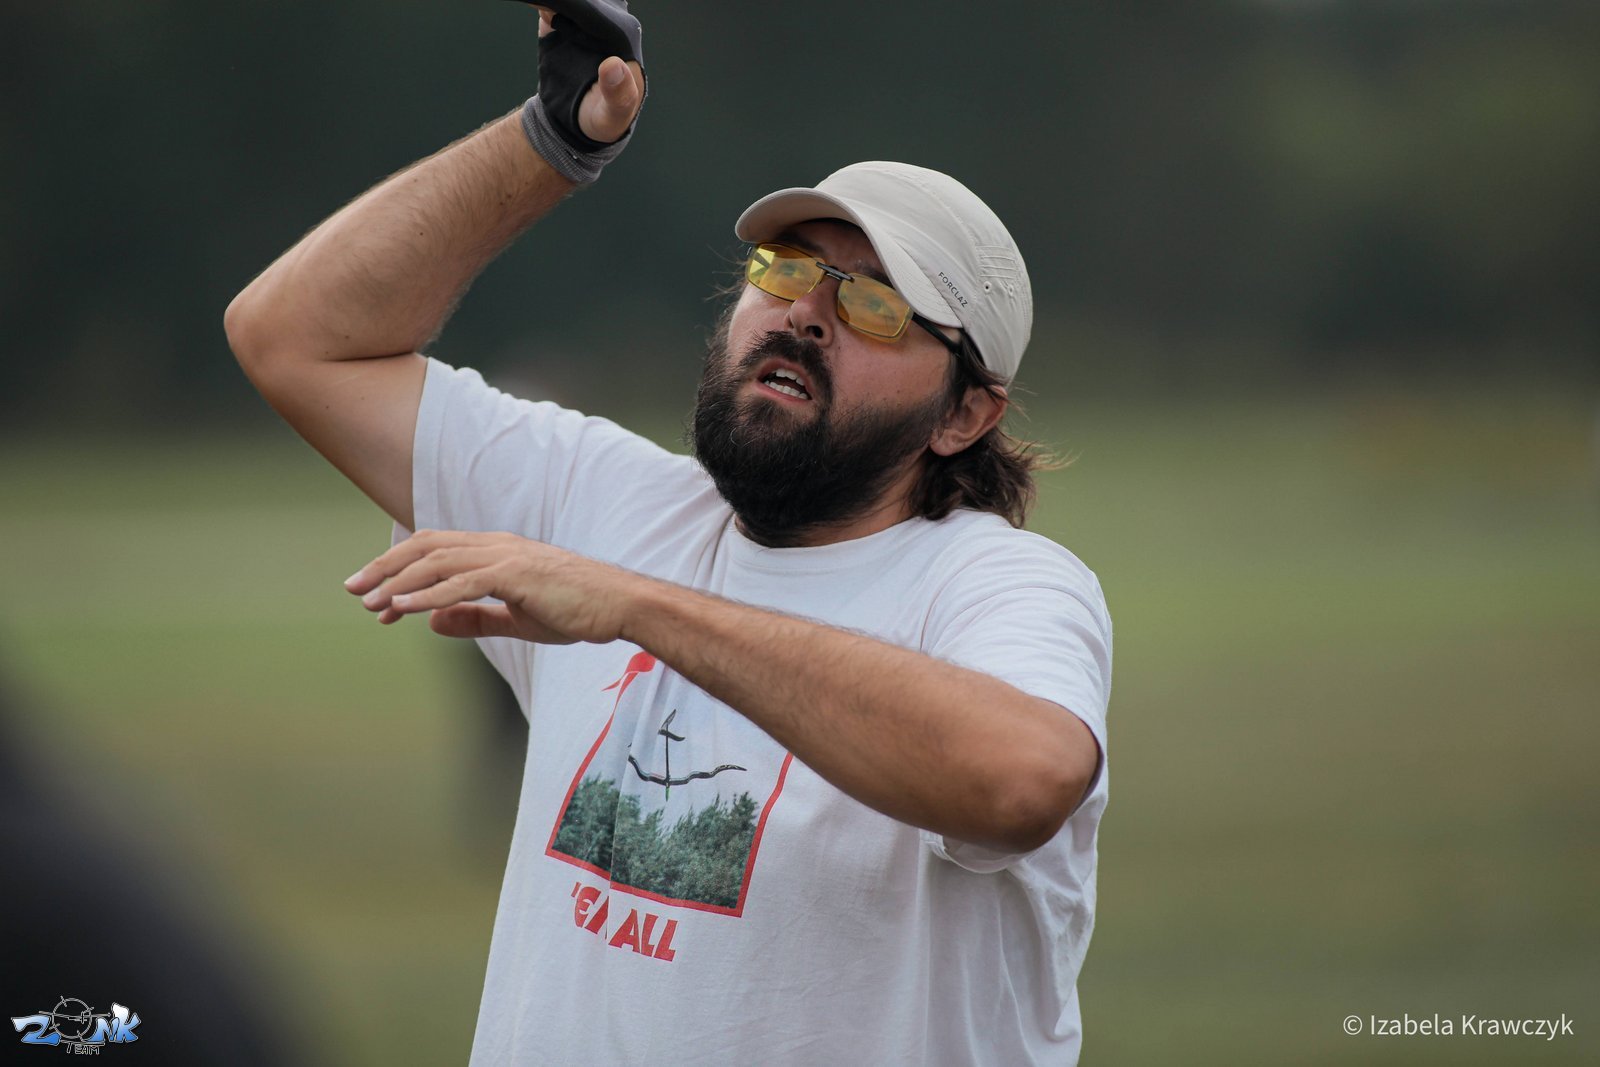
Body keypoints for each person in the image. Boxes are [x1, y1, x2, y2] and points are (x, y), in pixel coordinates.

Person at [224, 2, 1112, 1062]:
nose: (806, 312)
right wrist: (550, 141)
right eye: (786, 268)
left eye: (875, 306)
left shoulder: (1000, 583)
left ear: (965, 414)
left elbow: (1020, 779)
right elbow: (294, 337)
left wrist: (635, 606)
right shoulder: (609, 501)